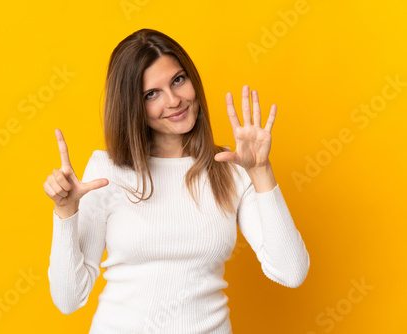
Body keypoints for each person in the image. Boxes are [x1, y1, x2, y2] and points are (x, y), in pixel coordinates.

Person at [44, 28, 310, 334]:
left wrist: (261, 172)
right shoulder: (108, 170)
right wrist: (65, 213)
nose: (174, 101)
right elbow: (68, 300)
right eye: (151, 94)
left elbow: (291, 272)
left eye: (178, 80)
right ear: (133, 107)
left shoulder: (231, 168)